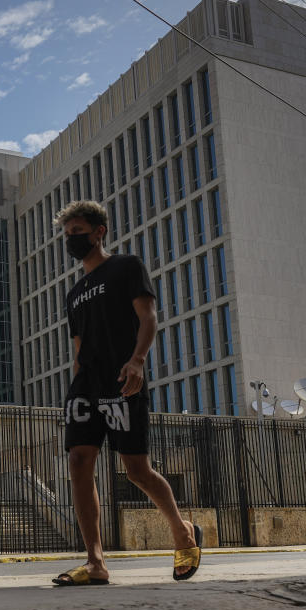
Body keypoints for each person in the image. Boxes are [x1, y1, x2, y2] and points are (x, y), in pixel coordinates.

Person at [51, 200, 201, 586]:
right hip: (86, 384)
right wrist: (75, 386)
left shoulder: (126, 266)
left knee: (136, 470)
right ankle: (95, 562)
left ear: (99, 231)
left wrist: (137, 360)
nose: (72, 241)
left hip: (122, 377)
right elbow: (79, 344)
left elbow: (148, 316)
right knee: (80, 462)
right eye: (67, 235)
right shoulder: (74, 292)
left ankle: (183, 533)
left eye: (78, 233)